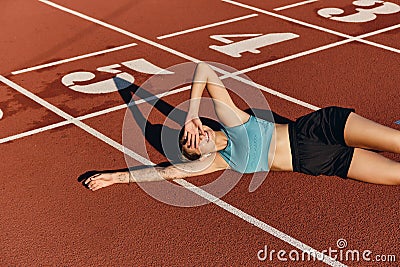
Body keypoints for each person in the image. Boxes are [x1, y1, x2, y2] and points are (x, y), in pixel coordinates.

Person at [84, 62, 400, 191]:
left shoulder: (233, 120)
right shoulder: (225, 160)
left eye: (188, 134)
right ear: (199, 157)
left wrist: (190, 111)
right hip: (321, 161)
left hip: (320, 129)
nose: (194, 136)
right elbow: (166, 171)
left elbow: (204, 69)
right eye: (191, 145)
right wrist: (114, 178)